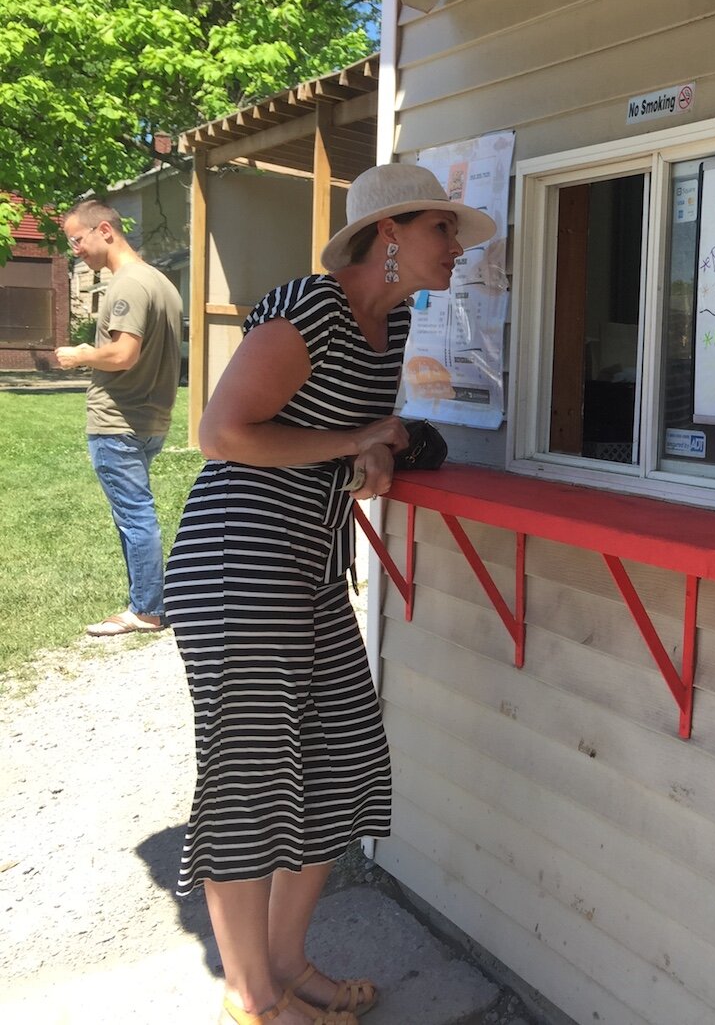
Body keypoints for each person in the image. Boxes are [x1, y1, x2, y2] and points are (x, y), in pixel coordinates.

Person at [163, 163, 495, 1025]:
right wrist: (359, 439)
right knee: (250, 775)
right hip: (239, 564)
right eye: (441, 229)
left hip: (308, 567)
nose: (455, 247)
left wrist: (370, 449)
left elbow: (335, 436)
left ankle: (286, 962)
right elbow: (222, 432)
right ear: (390, 233)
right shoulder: (311, 308)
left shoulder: (390, 326)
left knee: (345, 759)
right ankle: (253, 997)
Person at [55, 200, 184, 637]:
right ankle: (149, 601)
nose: (75, 250)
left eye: (77, 239)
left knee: (135, 515)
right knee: (136, 513)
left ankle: (146, 609)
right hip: (151, 419)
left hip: (118, 420)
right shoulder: (161, 282)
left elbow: (123, 354)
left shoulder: (127, 284)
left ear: (104, 231)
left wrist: (80, 355)